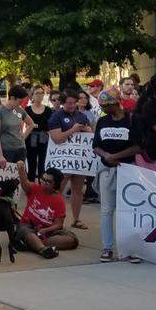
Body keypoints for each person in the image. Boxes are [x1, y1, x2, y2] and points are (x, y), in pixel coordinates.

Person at [91, 89, 142, 262]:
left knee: (127, 209)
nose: (104, 108)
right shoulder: (102, 121)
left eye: (107, 105)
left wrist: (117, 156)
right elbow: (96, 145)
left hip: (127, 168)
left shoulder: (131, 120)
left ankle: (128, 249)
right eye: (102, 105)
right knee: (106, 209)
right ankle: (107, 247)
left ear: (116, 102)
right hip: (107, 169)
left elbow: (138, 146)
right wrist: (106, 155)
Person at [47, 92, 93, 230]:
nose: (72, 105)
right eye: (69, 103)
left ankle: (76, 219)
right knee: (58, 189)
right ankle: (52, 218)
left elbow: (90, 134)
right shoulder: (56, 117)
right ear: (62, 103)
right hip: (63, 159)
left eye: (74, 103)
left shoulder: (82, 116)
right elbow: (57, 138)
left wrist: (87, 129)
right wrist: (73, 130)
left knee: (77, 190)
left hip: (78, 159)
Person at [20, 168, 79, 252]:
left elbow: (58, 225)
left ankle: (35, 243)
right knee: (25, 231)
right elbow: (24, 183)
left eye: (48, 181)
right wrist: (21, 169)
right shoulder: (35, 188)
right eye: (42, 179)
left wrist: (45, 230)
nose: (44, 182)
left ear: (55, 184)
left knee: (71, 239)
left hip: (48, 231)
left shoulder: (59, 200)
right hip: (28, 226)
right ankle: (43, 250)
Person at [0, 86, 29, 170]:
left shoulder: (20, 110)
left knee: (19, 177)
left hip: (20, 149)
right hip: (6, 150)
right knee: (6, 181)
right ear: (12, 98)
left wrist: (23, 137)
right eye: (20, 101)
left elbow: (32, 124)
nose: (21, 104)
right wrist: (0, 155)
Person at [24, 85, 51, 182]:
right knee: (31, 163)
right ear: (32, 96)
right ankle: (30, 186)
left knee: (42, 163)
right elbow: (18, 117)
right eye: (37, 93)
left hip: (44, 137)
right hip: (31, 138)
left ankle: (41, 186)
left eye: (41, 93)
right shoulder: (27, 110)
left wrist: (35, 125)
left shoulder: (48, 110)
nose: (39, 95)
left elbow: (49, 126)